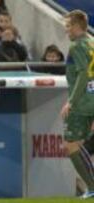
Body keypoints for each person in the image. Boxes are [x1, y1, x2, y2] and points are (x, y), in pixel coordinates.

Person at [60, 9, 94, 199]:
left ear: (76, 25)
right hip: (92, 97)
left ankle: (91, 186)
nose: (66, 30)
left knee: (70, 144)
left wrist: (71, 102)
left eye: (68, 26)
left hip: (81, 102)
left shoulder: (76, 47)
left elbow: (82, 74)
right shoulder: (92, 42)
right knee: (81, 144)